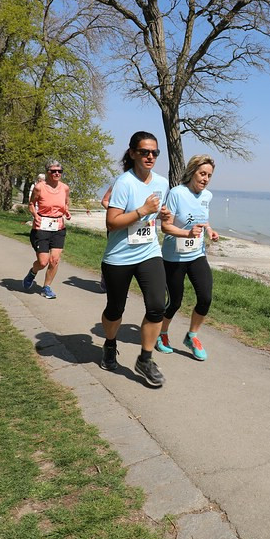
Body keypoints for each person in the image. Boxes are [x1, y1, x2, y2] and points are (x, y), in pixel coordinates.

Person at [98, 131, 171, 387]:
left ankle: (145, 359)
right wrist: (143, 211)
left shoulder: (161, 183)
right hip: (119, 257)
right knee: (115, 309)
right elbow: (112, 222)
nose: (150, 156)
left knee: (156, 306)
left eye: (154, 153)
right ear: (132, 153)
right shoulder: (124, 183)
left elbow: (154, 217)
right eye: (144, 152)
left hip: (149, 252)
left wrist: (161, 215)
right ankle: (109, 343)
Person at [158, 155, 219, 361]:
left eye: (209, 175)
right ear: (192, 172)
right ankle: (162, 333)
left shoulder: (207, 196)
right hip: (173, 256)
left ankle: (192, 336)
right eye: (202, 174)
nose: (205, 179)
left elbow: (204, 218)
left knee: (205, 297)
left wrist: (209, 230)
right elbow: (165, 226)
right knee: (174, 302)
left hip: (197, 254)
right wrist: (187, 234)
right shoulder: (176, 193)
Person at [22, 161, 71, 299]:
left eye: (60, 171)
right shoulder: (39, 187)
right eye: (53, 171)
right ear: (48, 172)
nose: (57, 173)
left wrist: (66, 212)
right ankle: (32, 272)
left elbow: (66, 203)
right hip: (41, 226)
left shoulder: (65, 188)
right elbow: (31, 204)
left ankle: (46, 287)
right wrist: (35, 215)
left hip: (58, 227)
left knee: (54, 260)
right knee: (43, 262)